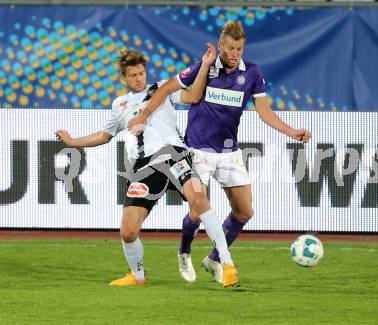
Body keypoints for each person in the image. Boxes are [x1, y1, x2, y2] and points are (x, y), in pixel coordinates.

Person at [128, 21, 311, 283]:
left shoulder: (253, 74)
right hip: (198, 150)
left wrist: (292, 132)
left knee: (245, 212)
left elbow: (265, 112)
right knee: (197, 210)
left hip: (229, 153)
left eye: (239, 48)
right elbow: (167, 87)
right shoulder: (206, 68)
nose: (234, 54)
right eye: (229, 48)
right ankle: (184, 252)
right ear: (221, 46)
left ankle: (213, 258)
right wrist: (144, 115)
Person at [55, 46, 240, 288]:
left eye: (141, 73)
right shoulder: (119, 104)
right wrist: (72, 142)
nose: (138, 78)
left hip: (174, 155)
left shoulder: (162, 89)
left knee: (199, 199)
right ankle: (138, 276)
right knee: (128, 230)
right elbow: (104, 135)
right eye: (132, 75)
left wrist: (205, 65)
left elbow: (193, 96)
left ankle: (227, 265)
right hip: (145, 167)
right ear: (123, 78)